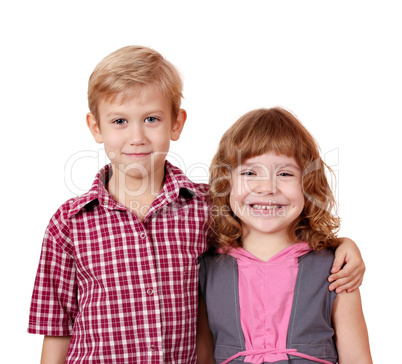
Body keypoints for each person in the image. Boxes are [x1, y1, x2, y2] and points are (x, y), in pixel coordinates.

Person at [27, 46, 365, 364]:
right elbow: (57, 329)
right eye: (119, 121)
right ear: (95, 126)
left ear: (176, 123)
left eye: (151, 119)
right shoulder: (69, 222)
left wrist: (342, 246)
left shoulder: (208, 206)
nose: (136, 137)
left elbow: (272, 233)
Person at [197, 108, 372, 364]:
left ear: (308, 184)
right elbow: (203, 356)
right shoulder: (206, 270)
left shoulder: (336, 269)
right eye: (249, 173)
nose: (267, 187)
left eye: (285, 173)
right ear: (226, 183)